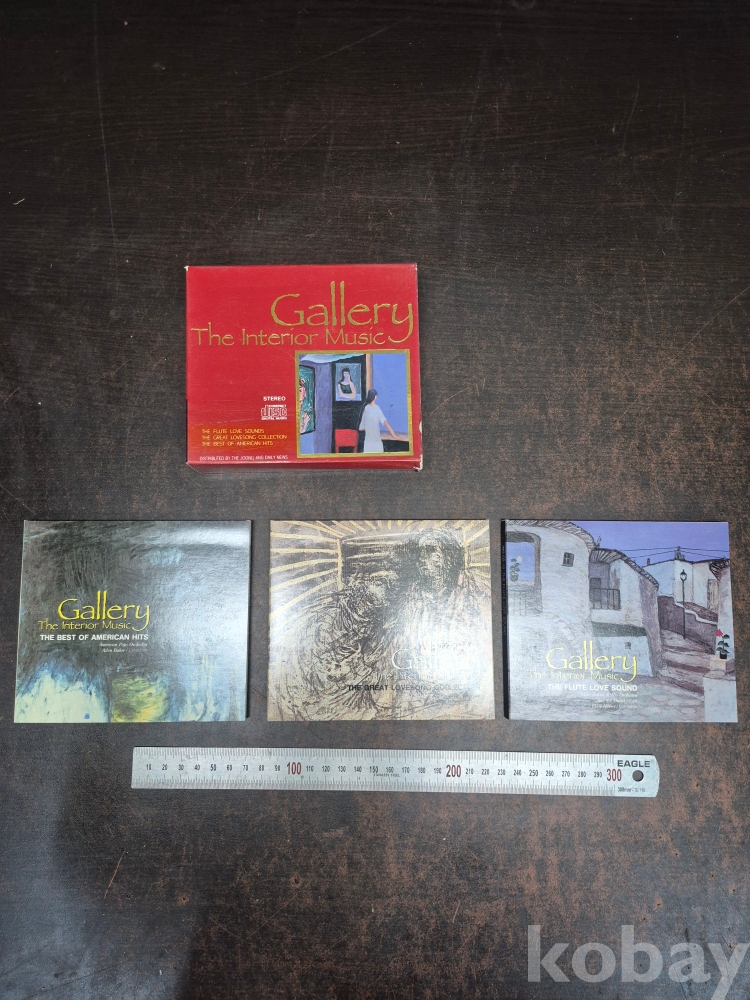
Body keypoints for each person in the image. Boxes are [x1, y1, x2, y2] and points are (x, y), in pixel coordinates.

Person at [358, 389, 396, 453]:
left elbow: (361, 428)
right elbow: (385, 422)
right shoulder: (376, 408)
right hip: (376, 440)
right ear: (375, 397)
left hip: (368, 442)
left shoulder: (366, 408)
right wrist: (394, 435)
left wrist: (369, 426)